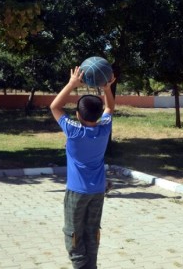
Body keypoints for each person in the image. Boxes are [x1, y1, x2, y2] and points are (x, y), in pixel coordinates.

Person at [50, 66, 116, 269]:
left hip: (77, 193)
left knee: (74, 234)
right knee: (91, 231)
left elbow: (54, 107)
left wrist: (72, 84)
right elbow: (110, 109)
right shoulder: (104, 128)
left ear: (77, 114)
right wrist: (106, 88)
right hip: (97, 192)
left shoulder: (73, 131)